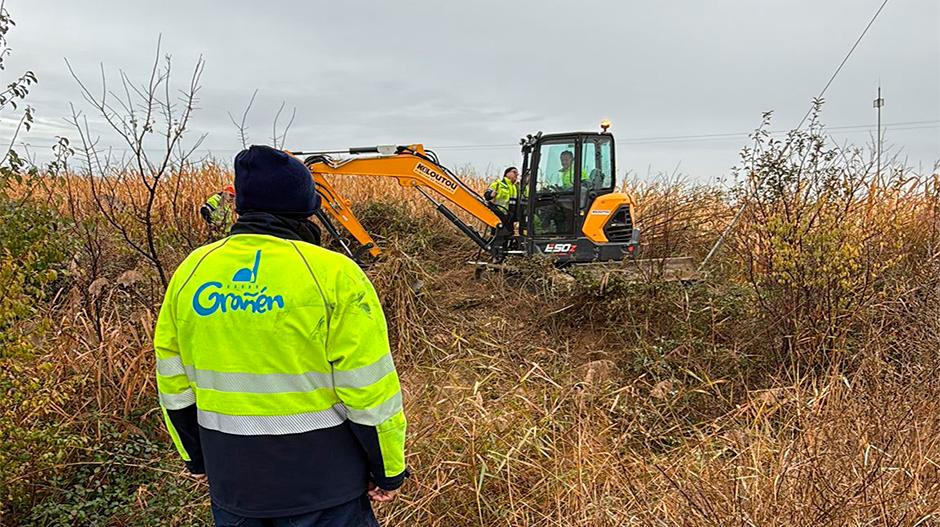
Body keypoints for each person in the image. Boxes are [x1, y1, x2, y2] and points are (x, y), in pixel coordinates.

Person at [154, 145, 408, 527]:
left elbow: (173, 385)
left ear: (240, 204)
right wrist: (388, 469)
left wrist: (196, 457)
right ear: (306, 206)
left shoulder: (192, 272)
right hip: (325, 489)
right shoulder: (335, 274)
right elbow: (369, 390)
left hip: (234, 485)